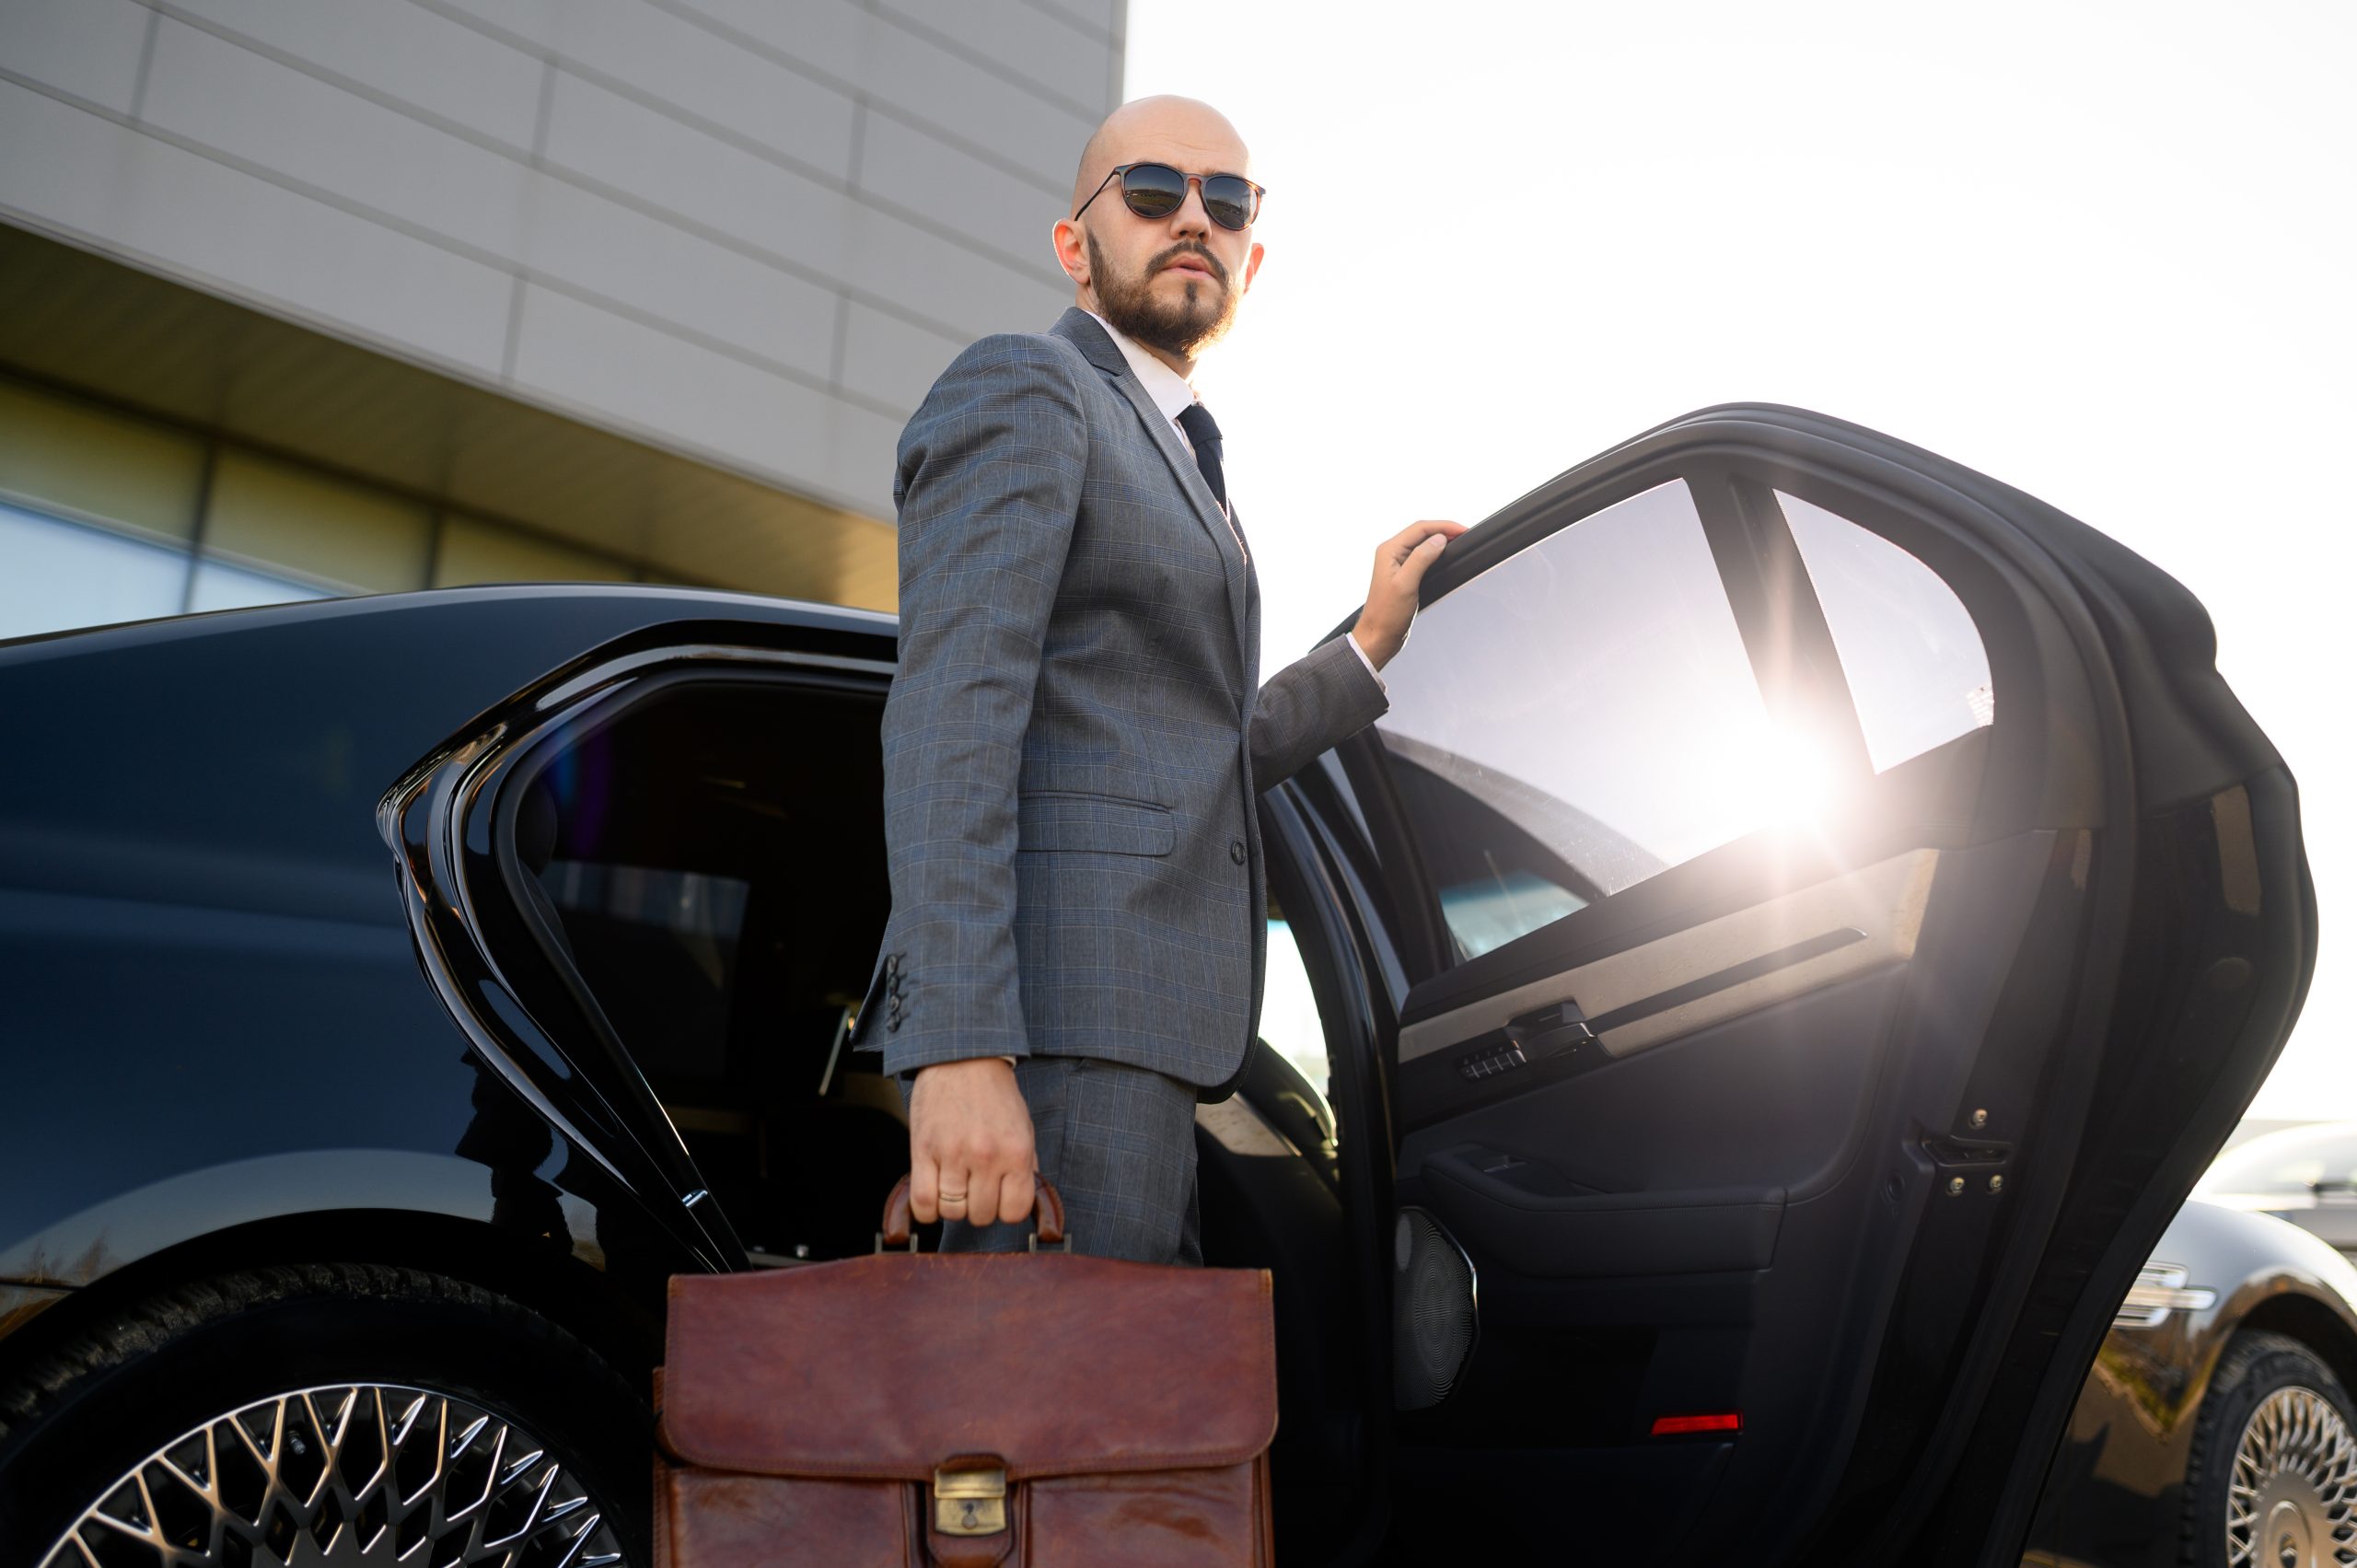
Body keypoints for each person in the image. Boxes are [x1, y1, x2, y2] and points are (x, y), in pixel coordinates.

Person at [848, 95, 1464, 1263]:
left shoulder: (1181, 447)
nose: (1192, 217)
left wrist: (1363, 650)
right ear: (1074, 244)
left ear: (1251, 255)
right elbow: (950, 718)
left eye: (1224, 202)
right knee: (1049, 1427)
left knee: (1105, 1432)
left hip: (1145, 1046)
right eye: (1150, 191)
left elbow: (1191, 747)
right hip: (1057, 1033)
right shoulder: (1029, 387)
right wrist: (962, 1049)